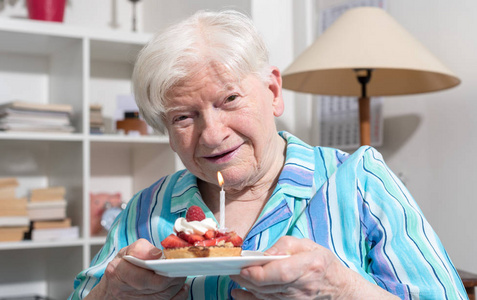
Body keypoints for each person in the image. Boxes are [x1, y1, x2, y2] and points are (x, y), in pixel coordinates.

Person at [69, 10, 467, 300]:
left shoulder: (359, 178)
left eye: (229, 99)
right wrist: (111, 292)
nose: (212, 135)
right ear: (167, 133)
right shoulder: (144, 210)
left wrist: (341, 288)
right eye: (183, 117)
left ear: (273, 93)